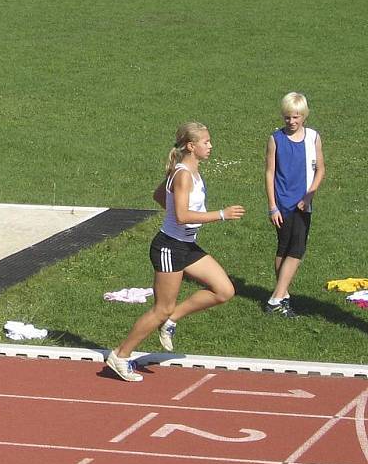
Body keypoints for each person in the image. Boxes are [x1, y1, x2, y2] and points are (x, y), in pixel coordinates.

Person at [105, 123, 245, 382]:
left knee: (224, 290)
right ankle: (121, 355)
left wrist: (173, 209)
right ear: (191, 146)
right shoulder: (182, 174)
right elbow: (181, 216)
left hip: (186, 246)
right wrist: (222, 215)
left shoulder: (191, 170)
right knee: (161, 309)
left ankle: (172, 320)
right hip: (169, 247)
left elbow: (159, 194)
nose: (210, 146)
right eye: (206, 142)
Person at [264, 92, 325, 317]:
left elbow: (321, 169)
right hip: (282, 204)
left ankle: (282, 296)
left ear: (304, 116)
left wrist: (309, 195)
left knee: (295, 247)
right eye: (288, 117)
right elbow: (270, 173)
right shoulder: (275, 139)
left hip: (302, 204)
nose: (291, 122)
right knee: (289, 248)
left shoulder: (313, 138)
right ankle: (277, 298)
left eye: (296, 117)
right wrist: (272, 205)